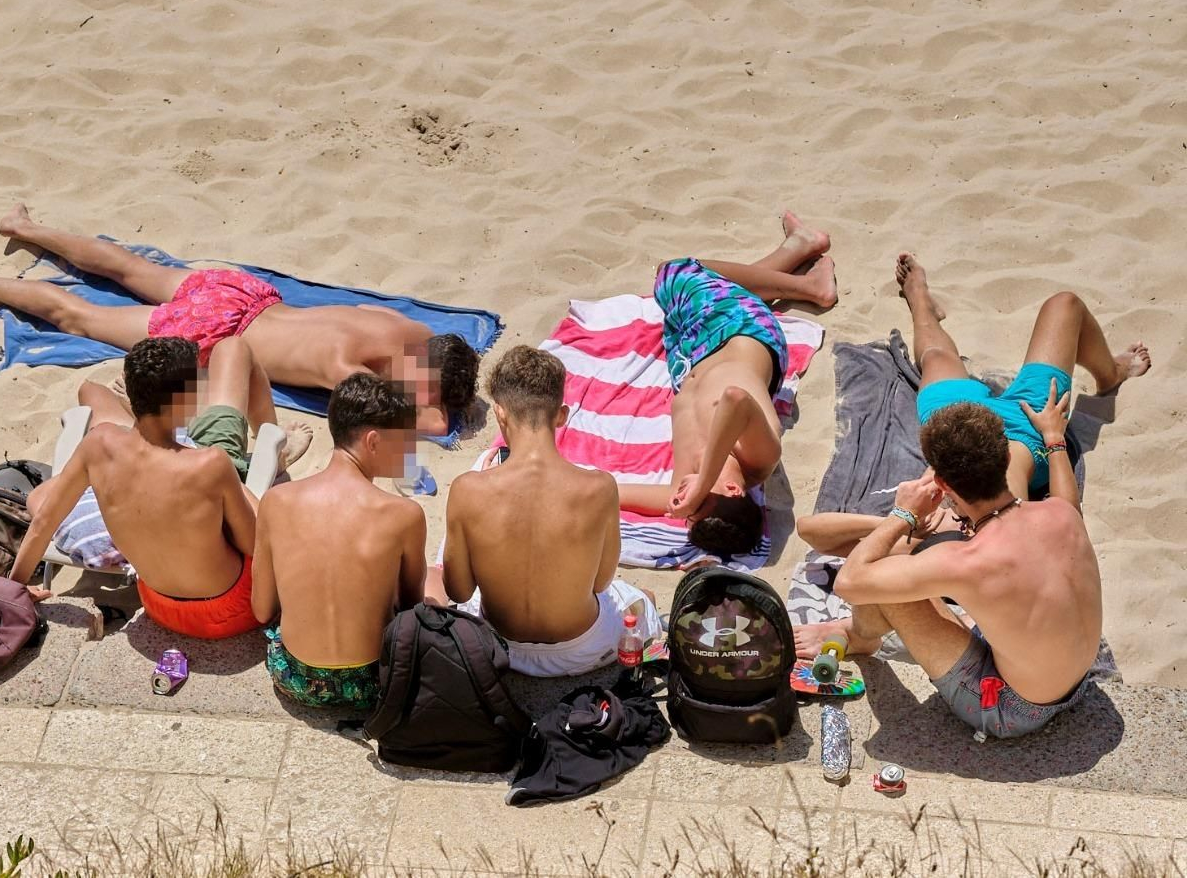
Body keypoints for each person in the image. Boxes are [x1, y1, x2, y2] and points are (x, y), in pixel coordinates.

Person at [0, 204, 481, 435]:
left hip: (242, 295)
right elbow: (430, 425)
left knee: (129, 267)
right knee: (78, 317)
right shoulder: (347, 369)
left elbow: (402, 340)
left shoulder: (404, 330)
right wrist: (433, 407)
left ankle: (25, 227)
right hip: (214, 333)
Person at [795, 402, 1101, 738]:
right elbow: (1068, 498)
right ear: (1006, 458)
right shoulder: (1062, 513)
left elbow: (850, 583)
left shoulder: (965, 560)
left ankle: (860, 637)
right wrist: (1054, 438)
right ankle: (857, 631)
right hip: (1078, 682)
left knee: (885, 578)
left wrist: (903, 514)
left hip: (1013, 709)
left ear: (943, 484)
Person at [7, 336, 294, 637]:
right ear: (183, 397)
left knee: (93, 393)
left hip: (160, 607)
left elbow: (43, 523)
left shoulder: (96, 445)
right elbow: (254, 546)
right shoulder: (211, 464)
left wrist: (13, 591)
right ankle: (278, 460)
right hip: (229, 611)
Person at [615, 212, 838, 556]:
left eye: (688, 512)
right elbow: (735, 399)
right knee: (672, 272)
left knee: (693, 289)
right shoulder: (759, 456)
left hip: (689, 354)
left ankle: (798, 249)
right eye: (698, 502)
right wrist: (703, 481)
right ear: (733, 490)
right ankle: (808, 286)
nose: (685, 497)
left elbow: (613, 491)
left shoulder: (688, 485)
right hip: (742, 330)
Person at [439, 346, 654, 677]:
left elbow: (459, 591)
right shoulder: (600, 488)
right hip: (580, 651)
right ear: (562, 415)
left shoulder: (467, 489)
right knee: (640, 598)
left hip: (498, 646)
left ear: (500, 413)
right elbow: (600, 583)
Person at [895, 252, 1149, 500]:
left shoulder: (955, 494)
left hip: (958, 425)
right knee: (1065, 305)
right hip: (1028, 427)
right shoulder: (1006, 506)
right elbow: (1066, 510)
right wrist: (1054, 439)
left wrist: (905, 515)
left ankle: (921, 301)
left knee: (936, 356)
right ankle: (1111, 375)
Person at [251, 373, 428, 709]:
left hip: (295, 677)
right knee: (431, 580)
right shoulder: (404, 514)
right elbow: (410, 610)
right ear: (373, 441)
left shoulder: (276, 502)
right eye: (406, 440)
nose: (411, 452)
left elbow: (262, 611)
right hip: (375, 681)